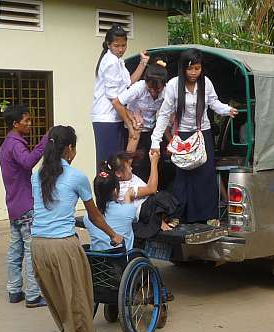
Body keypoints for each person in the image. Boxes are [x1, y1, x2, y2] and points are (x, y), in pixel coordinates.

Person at [30, 126, 123, 332]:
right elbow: (93, 215)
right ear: (69, 148)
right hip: (63, 247)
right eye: (74, 147)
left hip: (38, 246)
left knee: (59, 300)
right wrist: (113, 234)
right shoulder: (76, 176)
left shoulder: (36, 175)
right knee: (77, 298)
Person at [151, 48, 238, 225]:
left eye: (197, 68)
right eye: (190, 69)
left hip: (203, 133)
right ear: (183, 68)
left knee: (205, 175)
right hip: (182, 136)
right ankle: (177, 216)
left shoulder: (206, 82)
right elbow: (165, 114)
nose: (193, 73)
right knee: (183, 176)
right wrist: (155, 141)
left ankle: (209, 216)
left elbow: (214, 103)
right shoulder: (174, 85)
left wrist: (227, 110)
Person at [0, 105, 47, 308]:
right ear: (15, 124)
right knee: (30, 251)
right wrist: (44, 143)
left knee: (15, 250)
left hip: (13, 205)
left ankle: (14, 290)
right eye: (26, 121)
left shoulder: (7, 144)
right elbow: (28, 162)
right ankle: (33, 296)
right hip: (25, 205)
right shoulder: (16, 145)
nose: (29, 123)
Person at [92, 23, 150, 167]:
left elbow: (129, 82)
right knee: (108, 165)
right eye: (117, 45)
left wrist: (143, 63)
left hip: (114, 117)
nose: (121, 49)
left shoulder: (117, 61)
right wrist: (129, 123)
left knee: (115, 164)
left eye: (124, 45)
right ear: (108, 44)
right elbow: (115, 100)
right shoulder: (111, 62)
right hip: (106, 118)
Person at [112, 58, 169, 182]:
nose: (154, 92)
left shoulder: (167, 92)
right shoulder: (139, 87)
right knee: (134, 165)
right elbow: (117, 103)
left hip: (151, 131)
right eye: (150, 89)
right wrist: (130, 120)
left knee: (157, 164)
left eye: (157, 89)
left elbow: (168, 115)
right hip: (133, 132)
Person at [108, 151, 181, 238]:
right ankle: (158, 221)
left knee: (169, 191)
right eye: (129, 167)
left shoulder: (129, 177)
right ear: (118, 173)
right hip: (143, 212)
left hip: (149, 204)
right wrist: (154, 163)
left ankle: (162, 218)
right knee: (159, 197)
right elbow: (152, 189)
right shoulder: (121, 189)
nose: (131, 169)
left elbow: (149, 187)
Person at [83, 166, 137, 251]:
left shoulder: (88, 216)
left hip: (97, 260)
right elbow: (133, 218)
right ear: (115, 190)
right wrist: (128, 199)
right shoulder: (128, 209)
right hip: (121, 260)